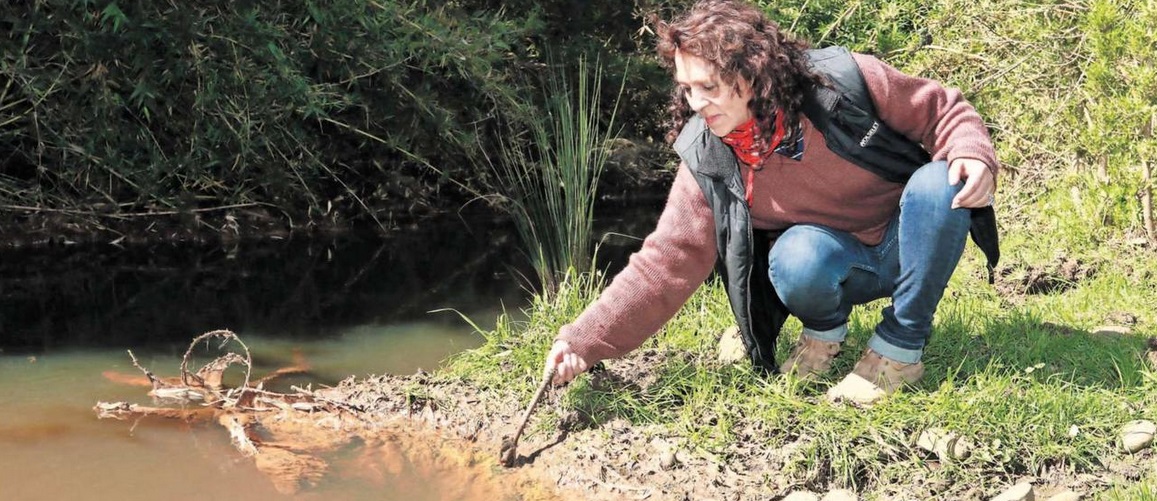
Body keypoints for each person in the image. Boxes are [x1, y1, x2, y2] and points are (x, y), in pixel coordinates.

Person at [542, 0, 999, 405]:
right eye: (687, 88)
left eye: (709, 87)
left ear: (753, 75)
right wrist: (583, 341)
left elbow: (942, 110)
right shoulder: (709, 156)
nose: (696, 102)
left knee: (941, 182)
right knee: (794, 255)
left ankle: (899, 349)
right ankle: (823, 333)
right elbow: (667, 260)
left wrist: (971, 152)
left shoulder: (843, 83)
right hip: (838, 267)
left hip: (912, 243)